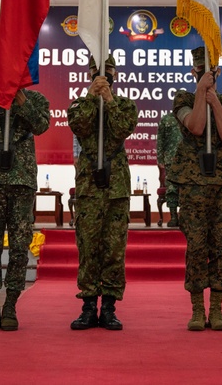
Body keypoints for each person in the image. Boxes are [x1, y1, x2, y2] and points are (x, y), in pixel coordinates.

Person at [169, 45, 222, 331]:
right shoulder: (183, 98)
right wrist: (201, 93)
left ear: (218, 71)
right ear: (193, 71)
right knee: (197, 247)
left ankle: (218, 308)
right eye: (199, 69)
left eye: (209, 70)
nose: (204, 73)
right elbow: (197, 127)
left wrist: (216, 103)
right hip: (194, 185)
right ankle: (198, 309)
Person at [67, 54, 139, 330]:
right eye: (97, 72)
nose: (103, 76)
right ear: (88, 75)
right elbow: (80, 125)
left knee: (113, 249)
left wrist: (108, 100)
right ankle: (87, 307)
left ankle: (108, 307)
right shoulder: (79, 105)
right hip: (88, 187)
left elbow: (122, 128)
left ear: (116, 75)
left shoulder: (125, 105)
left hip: (116, 186)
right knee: (87, 248)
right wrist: (90, 97)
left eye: (108, 71)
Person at [0, 83, 50, 331]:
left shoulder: (35, 98)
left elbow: (41, 125)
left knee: (19, 246)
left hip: (21, 180)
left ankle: (11, 306)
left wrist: (21, 100)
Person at [155, 111, 182, 227]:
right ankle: (173, 217)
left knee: (187, 190)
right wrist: (160, 160)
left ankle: (185, 217)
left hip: (188, 160)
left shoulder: (189, 118)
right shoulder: (166, 120)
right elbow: (160, 140)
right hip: (170, 160)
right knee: (171, 189)